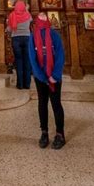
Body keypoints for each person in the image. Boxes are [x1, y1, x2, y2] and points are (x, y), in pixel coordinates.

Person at [29, 12, 65, 149]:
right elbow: (32, 59)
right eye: (41, 19)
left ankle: (60, 133)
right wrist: (42, 77)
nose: (43, 22)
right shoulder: (32, 38)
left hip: (54, 78)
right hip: (41, 77)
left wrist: (54, 76)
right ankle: (44, 132)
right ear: (37, 22)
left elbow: (60, 56)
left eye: (45, 19)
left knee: (56, 104)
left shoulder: (55, 36)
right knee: (42, 103)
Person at [7, 1, 32, 90]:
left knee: (18, 62)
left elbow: (9, 29)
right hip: (27, 39)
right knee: (27, 61)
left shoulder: (12, 15)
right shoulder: (28, 15)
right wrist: (27, 10)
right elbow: (31, 21)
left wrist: (8, 25)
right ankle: (27, 84)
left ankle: (20, 84)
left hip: (16, 39)